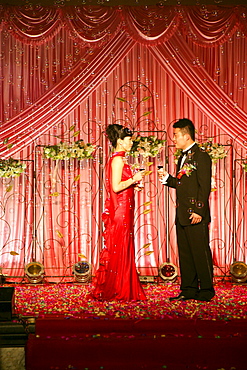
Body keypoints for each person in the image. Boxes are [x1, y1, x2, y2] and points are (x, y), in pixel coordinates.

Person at [158, 119, 215, 302]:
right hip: (182, 213)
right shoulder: (183, 156)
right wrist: (168, 179)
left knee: (200, 251)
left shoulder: (201, 156)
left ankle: (206, 289)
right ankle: (188, 289)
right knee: (186, 253)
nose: (173, 139)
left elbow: (204, 186)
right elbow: (183, 184)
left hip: (195, 213)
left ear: (186, 135)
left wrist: (199, 210)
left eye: (175, 135)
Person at [92, 124, 147, 301]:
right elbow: (115, 187)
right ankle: (118, 289)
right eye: (129, 140)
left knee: (123, 247)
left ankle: (122, 286)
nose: (131, 143)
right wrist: (133, 179)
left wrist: (133, 185)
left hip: (125, 209)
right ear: (120, 141)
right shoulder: (117, 160)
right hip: (120, 211)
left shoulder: (121, 159)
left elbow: (122, 184)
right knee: (120, 247)